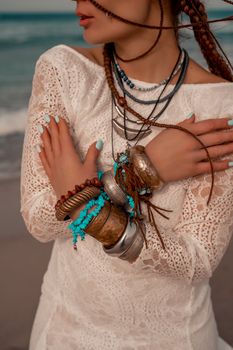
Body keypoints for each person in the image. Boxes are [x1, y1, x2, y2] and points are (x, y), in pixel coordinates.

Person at [20, 0, 233, 349]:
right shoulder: (63, 70)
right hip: (65, 332)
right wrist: (139, 172)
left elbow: (197, 261)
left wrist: (85, 199)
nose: (80, 2)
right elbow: (40, 219)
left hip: (177, 339)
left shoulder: (221, 106)